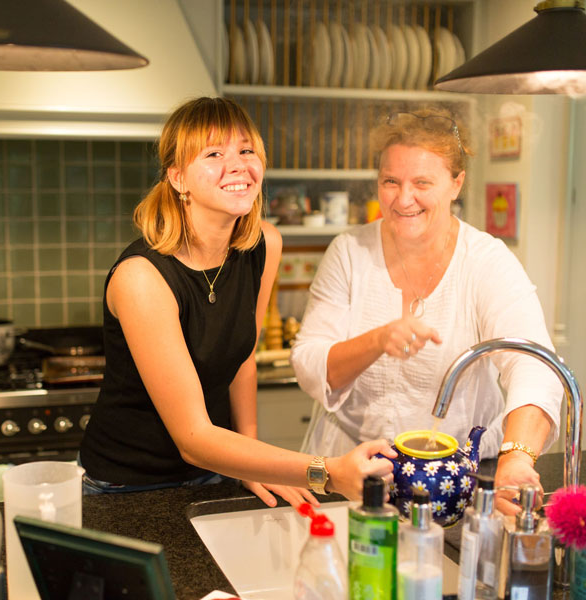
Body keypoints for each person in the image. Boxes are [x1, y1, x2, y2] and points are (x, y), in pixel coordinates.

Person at [79, 97, 395, 507]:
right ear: (178, 178)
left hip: (216, 470)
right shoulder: (142, 277)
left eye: (246, 151)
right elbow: (193, 438)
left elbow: (242, 357)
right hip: (127, 486)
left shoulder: (264, 246)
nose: (238, 166)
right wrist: (327, 472)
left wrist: (253, 463)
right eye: (214, 154)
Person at [291, 108, 562, 515]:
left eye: (421, 183)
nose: (403, 199)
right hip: (352, 477)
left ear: (456, 183)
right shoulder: (349, 252)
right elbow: (310, 364)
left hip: (455, 481)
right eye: (391, 181)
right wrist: (377, 340)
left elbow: (534, 366)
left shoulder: (486, 262)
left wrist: (518, 457)